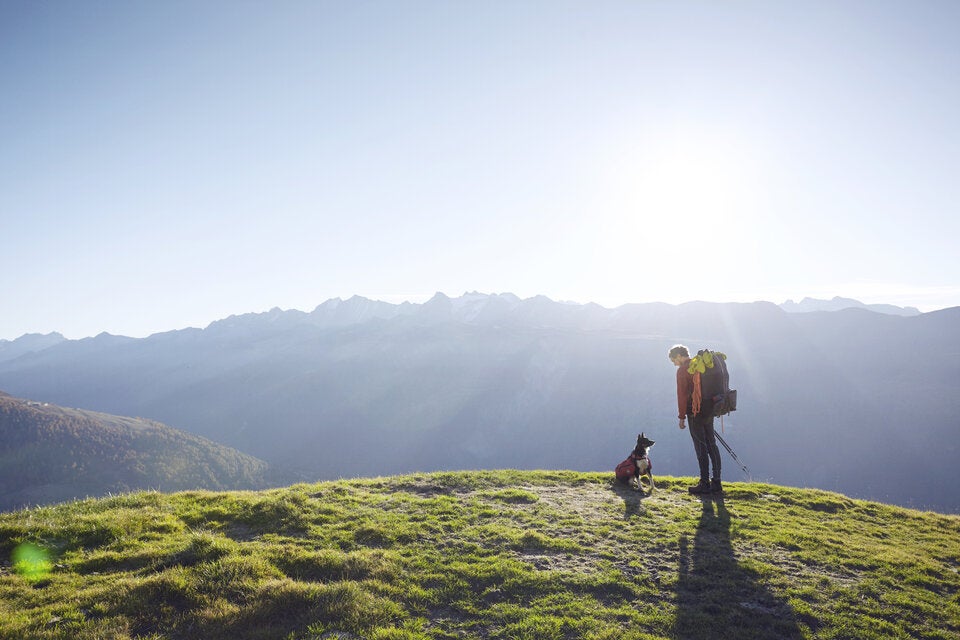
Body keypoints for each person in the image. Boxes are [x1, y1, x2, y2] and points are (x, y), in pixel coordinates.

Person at [669, 344, 722, 494]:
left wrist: (681, 417)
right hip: (709, 409)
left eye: (674, 360)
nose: (674, 363)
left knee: (701, 447)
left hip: (695, 412)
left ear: (679, 356)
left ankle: (704, 483)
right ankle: (716, 482)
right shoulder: (700, 365)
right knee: (712, 444)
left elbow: (682, 395)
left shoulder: (683, 370)